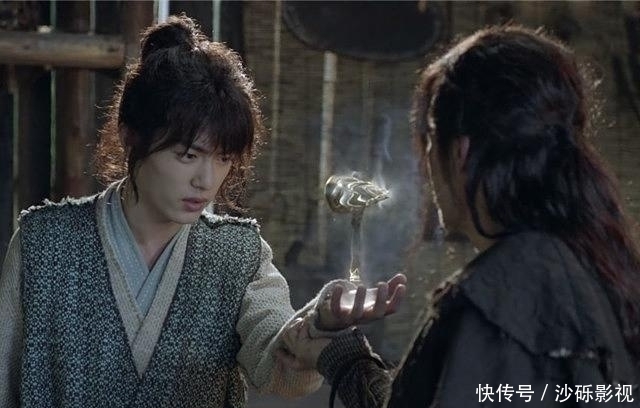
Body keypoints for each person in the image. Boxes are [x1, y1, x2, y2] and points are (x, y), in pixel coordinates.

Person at [0, 15, 406, 408]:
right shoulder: (44, 243)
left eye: (224, 158)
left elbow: (277, 364)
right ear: (131, 137)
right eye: (188, 155)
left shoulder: (237, 254)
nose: (206, 180)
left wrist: (318, 325)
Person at [280, 25, 640, 407]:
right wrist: (341, 355)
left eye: (429, 141)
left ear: (460, 152)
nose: (426, 170)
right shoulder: (601, 273)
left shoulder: (493, 304)